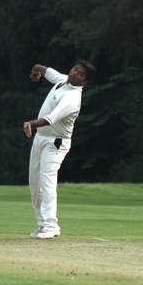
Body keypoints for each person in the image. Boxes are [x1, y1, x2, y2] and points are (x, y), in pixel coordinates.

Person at [23, 60, 96, 239]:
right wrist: (35, 72)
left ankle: (51, 225)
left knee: (47, 181)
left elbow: (49, 119)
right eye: (75, 69)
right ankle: (42, 224)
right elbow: (42, 68)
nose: (74, 73)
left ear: (85, 82)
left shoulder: (72, 98)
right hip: (41, 138)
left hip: (56, 142)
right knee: (35, 183)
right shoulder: (63, 80)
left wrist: (30, 123)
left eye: (80, 74)